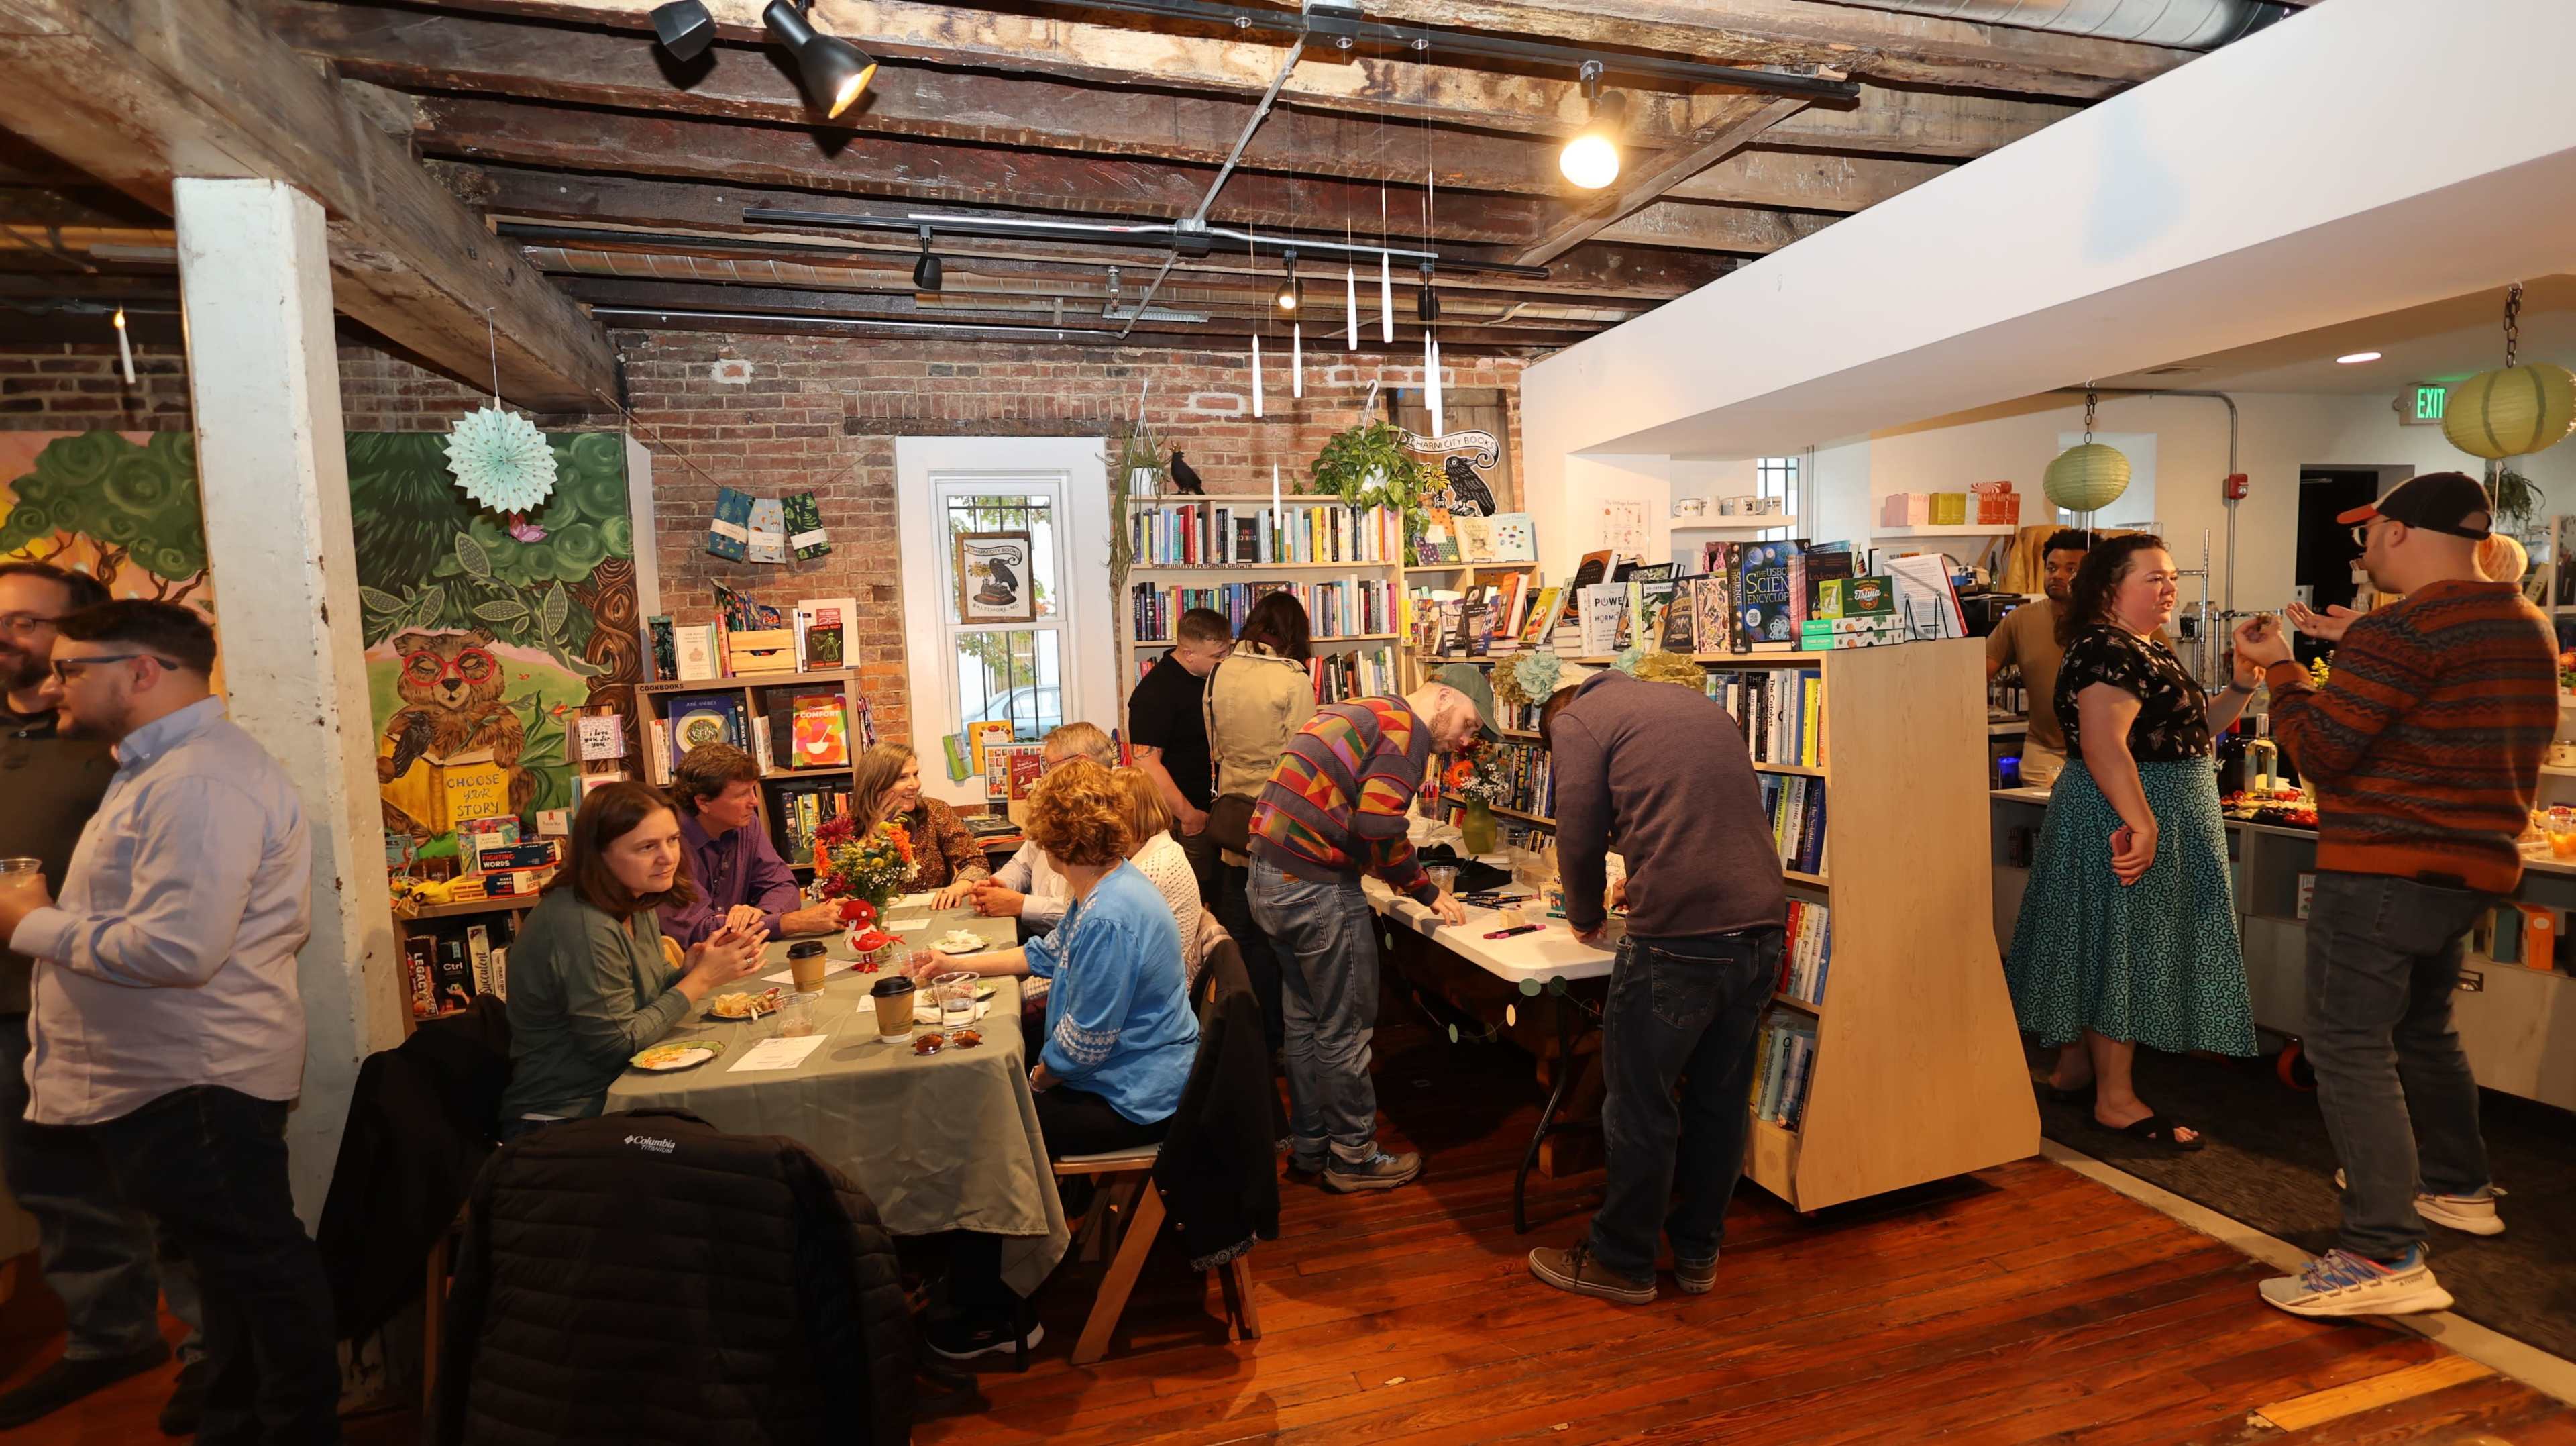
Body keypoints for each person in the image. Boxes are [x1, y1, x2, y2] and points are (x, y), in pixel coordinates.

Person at [0, 601, 336, 1444]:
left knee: (257, 1270)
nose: (51, 684)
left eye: (72, 667)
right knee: (231, 1277)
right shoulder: (160, 767)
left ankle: (293, 1429)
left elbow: (180, 949)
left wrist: (28, 923)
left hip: (195, 1076)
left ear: (142, 670)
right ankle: (239, 1422)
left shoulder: (199, 779)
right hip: (175, 1074)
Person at [2237, 472, 2555, 1318]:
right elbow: (2436, 707)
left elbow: (2324, 752)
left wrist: (2284, 673)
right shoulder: (2523, 623)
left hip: (2382, 866)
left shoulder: (2404, 628)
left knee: (2347, 1045)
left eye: (2369, 533)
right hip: (2475, 867)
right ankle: (2459, 1186)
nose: (2362, 546)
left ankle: (2380, 1250)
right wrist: (2357, 647)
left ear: (2405, 535)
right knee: (2423, 1031)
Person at [0, 566, 205, 1433]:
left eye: (24, 620)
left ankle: (207, 1349)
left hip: (109, 995)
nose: (6, 634)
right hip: (9, 1002)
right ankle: (109, 1333)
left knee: (164, 1182)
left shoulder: (117, 736)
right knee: (54, 1184)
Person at [1522, 668, 1788, 1305]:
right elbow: (1702, 818)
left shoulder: (1577, 724)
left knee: (1639, 1101)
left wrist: (1586, 915)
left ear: (1554, 726)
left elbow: (1579, 836)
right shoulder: (1689, 705)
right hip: (1762, 926)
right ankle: (1698, 1253)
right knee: (1719, 1102)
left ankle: (1622, 1260)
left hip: (1681, 937)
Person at [923, 760, 1197, 1360]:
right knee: (994, 1106)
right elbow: (1046, 956)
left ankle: (990, 1313)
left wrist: (1035, 1080)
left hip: (1136, 1096)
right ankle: (981, 1278)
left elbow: (1083, 1045)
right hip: (1133, 1076)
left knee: (991, 1125)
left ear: (1053, 841)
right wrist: (952, 964)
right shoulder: (1107, 883)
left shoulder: (1108, 914)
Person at [2004, 535, 2258, 1153]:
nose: (2169, 587)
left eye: (2172, 577)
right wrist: (2143, 823)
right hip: (2119, 813)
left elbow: (2187, 734)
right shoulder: (2104, 647)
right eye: (2154, 578)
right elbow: (2104, 745)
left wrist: (2243, 685)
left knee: (2102, 940)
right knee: (2118, 945)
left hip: (2142, 807)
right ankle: (2115, 1101)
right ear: (2112, 587)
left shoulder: (2143, 646)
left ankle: (2074, 1070)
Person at [1246, 670, 1481, 1193]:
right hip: (1315, 887)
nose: (1466, 739)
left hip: (1267, 876)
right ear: (1443, 696)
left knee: (1305, 1021)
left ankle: (1311, 1146)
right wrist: (1421, 887)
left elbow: (1349, 812)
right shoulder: (1406, 732)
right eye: (1468, 722)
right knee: (1345, 1029)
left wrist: (1380, 867)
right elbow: (1378, 825)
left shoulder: (1366, 708)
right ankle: (1352, 1156)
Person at [498, 782, 768, 1135]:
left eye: (672, 840)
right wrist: (699, 980)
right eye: (646, 847)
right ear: (601, 854)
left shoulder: (635, 900)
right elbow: (616, 1044)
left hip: (615, 1101)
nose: (668, 857)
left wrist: (688, 970)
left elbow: (641, 1005)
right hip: (564, 1123)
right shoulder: (583, 924)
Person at [1203, 592, 1318, 1049]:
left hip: (1231, 814)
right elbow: (1304, 759)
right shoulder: (1293, 679)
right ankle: (1276, 1035)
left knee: (1236, 931)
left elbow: (1213, 743)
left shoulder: (1219, 670)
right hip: (1277, 815)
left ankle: (1239, 1034)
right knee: (1278, 940)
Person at [1988, 529, 2140, 789]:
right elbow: (1976, 673)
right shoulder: (2021, 619)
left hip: (2116, 755)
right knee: (2045, 828)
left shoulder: (2125, 619)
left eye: (2071, 568)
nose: (2058, 575)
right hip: (2044, 755)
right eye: (2052, 567)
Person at [658, 742, 839, 948]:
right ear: (703, 802)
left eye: (753, 790)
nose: (754, 802)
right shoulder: (667, 844)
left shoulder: (745, 822)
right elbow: (700, 931)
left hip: (738, 957)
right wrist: (792, 922)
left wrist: (759, 914)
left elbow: (782, 885)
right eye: (742, 794)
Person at [1126, 607, 1232, 904]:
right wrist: (1188, 816)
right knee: (1194, 907)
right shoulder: (1154, 694)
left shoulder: (1209, 678)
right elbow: (1146, 763)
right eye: (1217, 656)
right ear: (1188, 654)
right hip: (1182, 822)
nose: (1224, 662)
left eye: (1227, 652)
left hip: (1214, 814)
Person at [972, 721, 1120, 930]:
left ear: (1080, 763)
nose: (1044, 775)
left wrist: (1021, 904)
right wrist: (999, 885)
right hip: (1045, 939)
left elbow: (1089, 908)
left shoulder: (1107, 819)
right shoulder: (1055, 806)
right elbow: (1023, 863)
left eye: (1049, 766)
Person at [851, 743, 987, 907]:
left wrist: (957, 888)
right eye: (902, 777)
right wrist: (875, 830)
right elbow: (843, 887)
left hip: (932, 914)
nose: (915, 785)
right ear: (877, 783)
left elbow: (976, 864)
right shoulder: (847, 825)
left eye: (915, 774)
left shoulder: (936, 811)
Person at [1110, 765, 1211, 981]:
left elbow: (1104, 964)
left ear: (1125, 815)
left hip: (1155, 994)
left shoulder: (1149, 870)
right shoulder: (1163, 848)